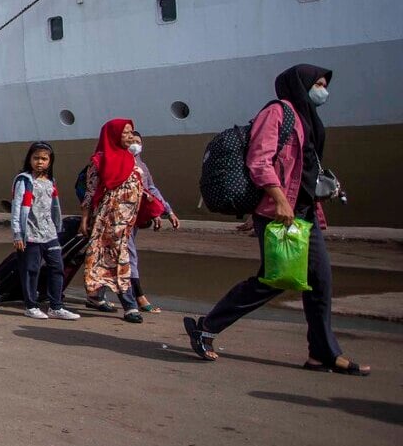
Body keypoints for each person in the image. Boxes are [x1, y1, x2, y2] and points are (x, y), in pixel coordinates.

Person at [185, 65, 368, 375]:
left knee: (319, 282)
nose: (323, 90)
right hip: (282, 211)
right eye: (318, 84)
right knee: (275, 279)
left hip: (304, 211)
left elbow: (305, 166)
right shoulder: (278, 112)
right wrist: (279, 199)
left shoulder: (307, 116)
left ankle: (321, 353)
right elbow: (259, 159)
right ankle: (207, 326)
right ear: (301, 84)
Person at [78, 118, 145, 323]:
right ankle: (130, 305)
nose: (130, 136)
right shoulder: (100, 160)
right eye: (125, 133)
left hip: (127, 221)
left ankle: (95, 295)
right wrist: (85, 220)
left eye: (131, 132)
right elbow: (90, 192)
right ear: (113, 135)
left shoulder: (130, 158)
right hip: (108, 220)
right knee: (119, 258)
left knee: (103, 258)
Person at [10, 141, 79, 321]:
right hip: (30, 234)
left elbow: (54, 207)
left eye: (44, 158)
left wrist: (58, 228)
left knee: (57, 267)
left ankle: (56, 306)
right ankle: (31, 306)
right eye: (36, 158)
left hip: (49, 234)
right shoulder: (24, 181)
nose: (39, 162)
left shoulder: (50, 181)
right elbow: (17, 208)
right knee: (31, 270)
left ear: (50, 161)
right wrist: (18, 233)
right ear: (29, 159)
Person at [126, 132, 180, 313]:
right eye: (131, 141)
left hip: (134, 217)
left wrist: (167, 211)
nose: (135, 145)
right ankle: (138, 298)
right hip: (118, 217)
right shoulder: (118, 162)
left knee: (125, 255)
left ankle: (97, 295)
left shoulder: (142, 165)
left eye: (138, 142)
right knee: (127, 255)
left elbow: (150, 189)